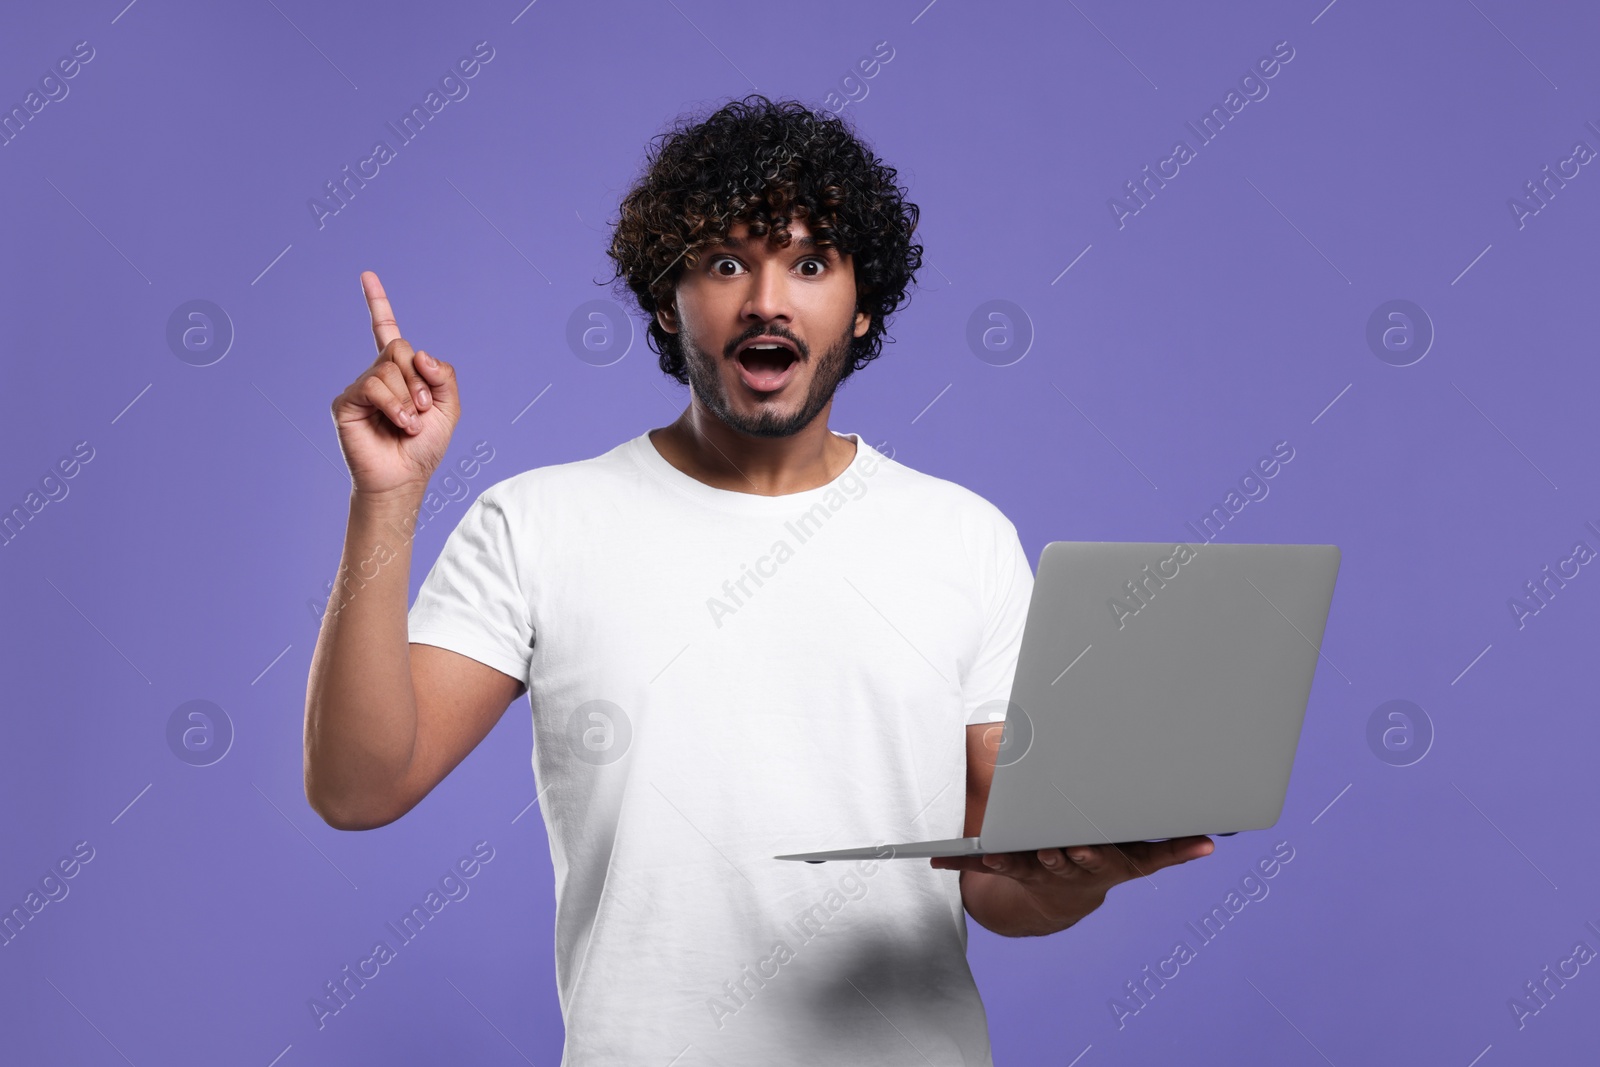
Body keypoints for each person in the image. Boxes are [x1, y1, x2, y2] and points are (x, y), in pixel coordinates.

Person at [304, 94, 1213, 1065]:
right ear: (666, 299)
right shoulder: (539, 523)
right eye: (724, 261)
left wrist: (1080, 873)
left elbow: (996, 884)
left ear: (861, 306)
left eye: (810, 261)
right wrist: (387, 499)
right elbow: (359, 787)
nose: (766, 299)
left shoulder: (963, 537)